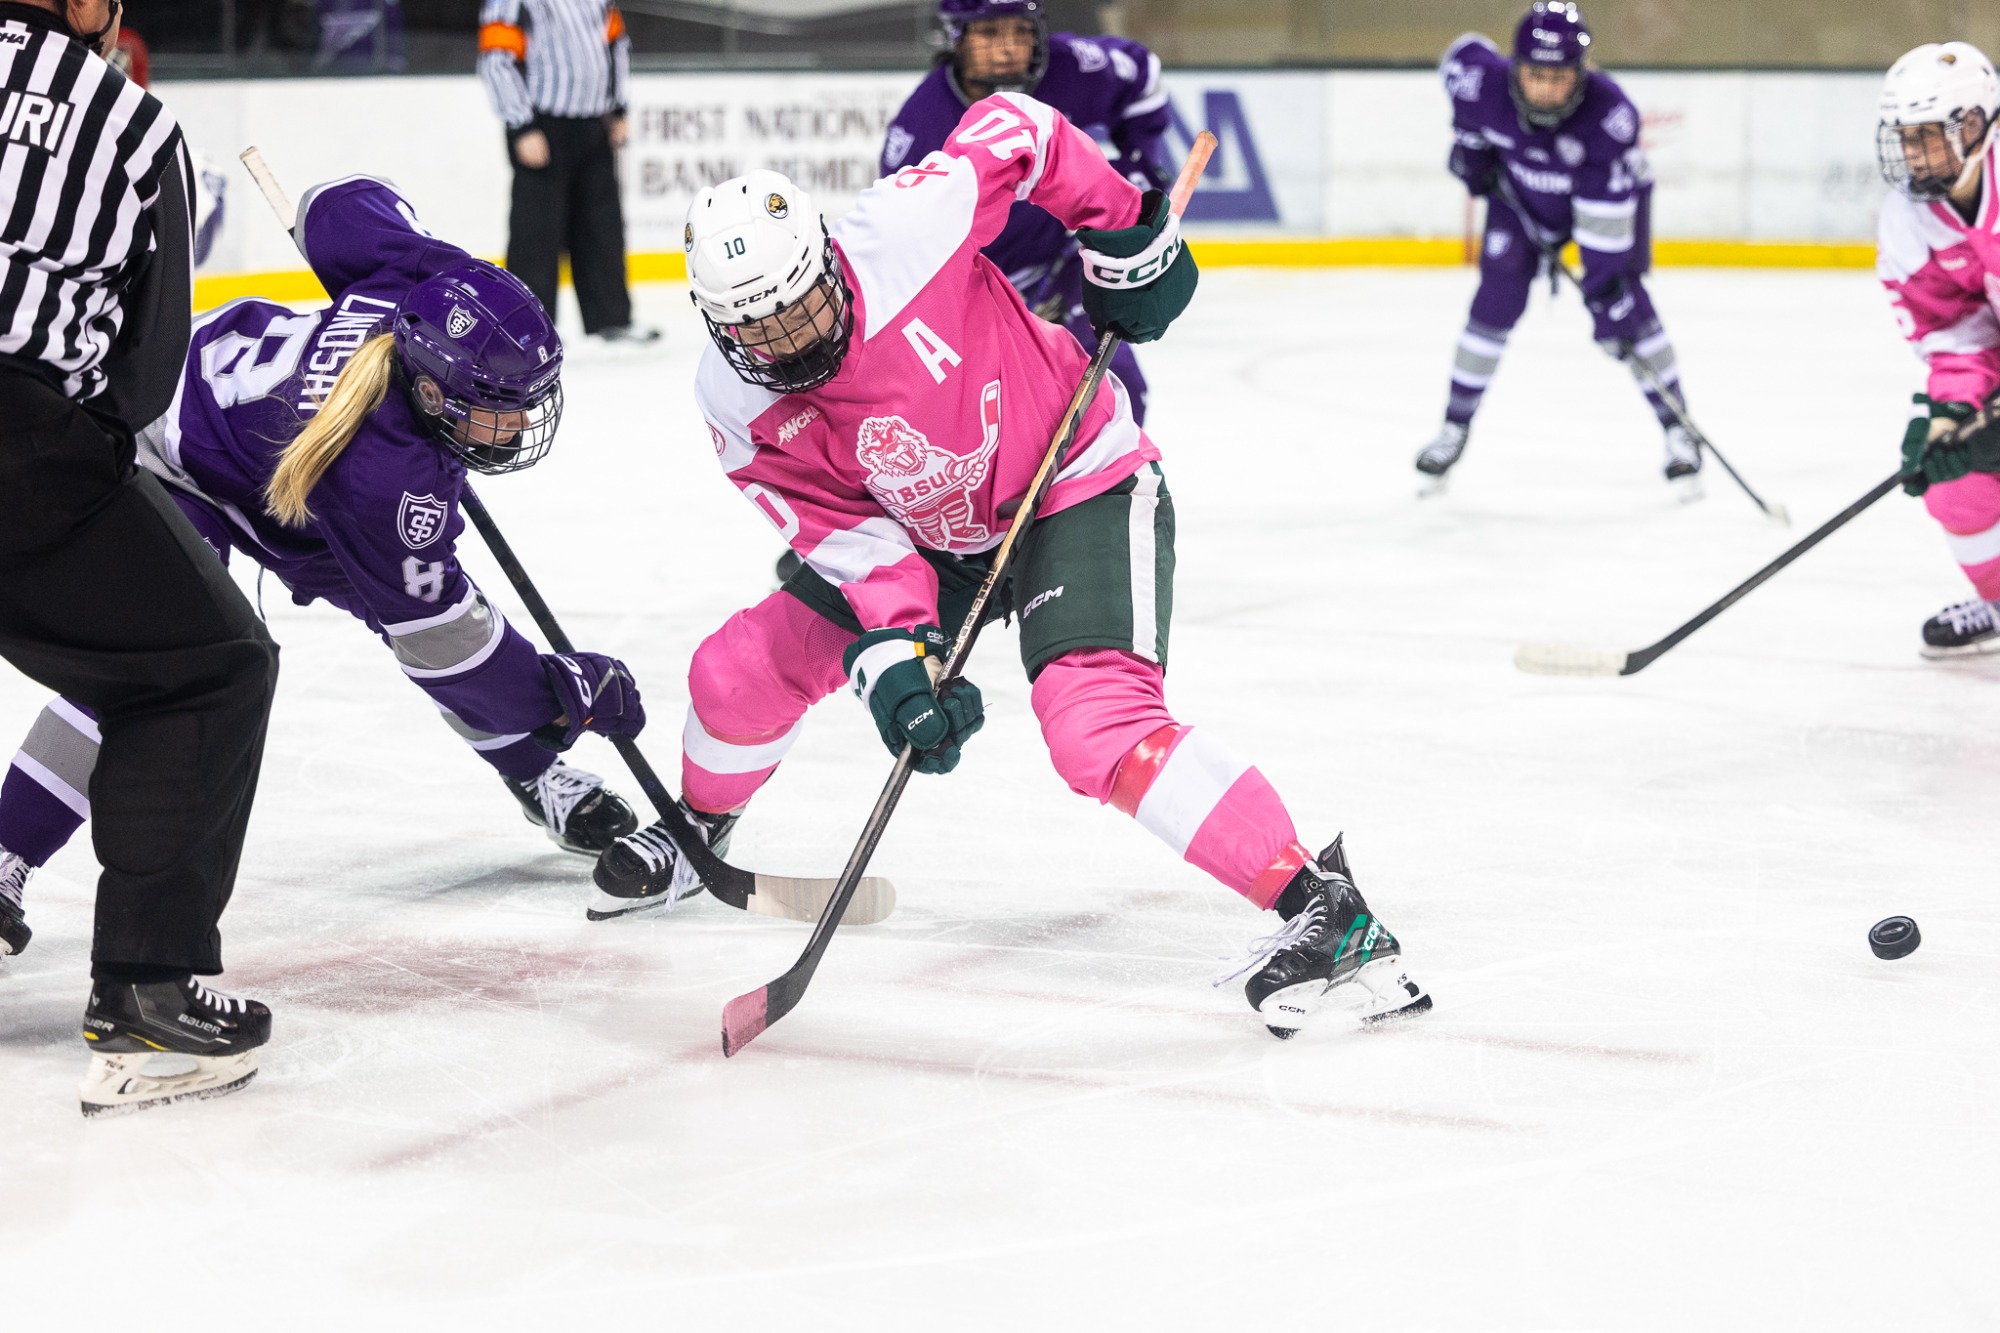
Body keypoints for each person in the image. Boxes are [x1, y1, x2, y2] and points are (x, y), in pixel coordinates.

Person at [593, 92, 1431, 1037]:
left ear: (829, 256)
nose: (792, 340)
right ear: (717, 324)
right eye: (761, 330)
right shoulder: (734, 405)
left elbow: (1020, 129)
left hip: (1074, 474)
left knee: (1095, 728)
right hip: (924, 534)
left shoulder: (907, 227)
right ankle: (700, 827)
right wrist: (898, 662)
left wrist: (1120, 234)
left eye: (804, 306)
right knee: (734, 673)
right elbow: (845, 533)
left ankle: (1323, 910)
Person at [0, 176, 649, 989]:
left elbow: (331, 206)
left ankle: (532, 772)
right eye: (496, 409)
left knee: (426, 614)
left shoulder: (421, 288)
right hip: (175, 456)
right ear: (434, 389)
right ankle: (3, 852)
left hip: (291, 491)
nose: (517, 425)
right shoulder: (389, 485)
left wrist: (416, 255)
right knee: (140, 664)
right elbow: (451, 650)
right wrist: (561, 697)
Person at [0, 0, 281, 1115]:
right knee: (207, 665)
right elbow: (146, 359)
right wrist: (80, 469)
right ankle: (145, 991)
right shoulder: (132, 121)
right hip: (21, 448)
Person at [1417, 2, 1699, 495]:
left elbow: (1603, 234)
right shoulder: (1480, 86)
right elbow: (1461, 53)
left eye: (1559, 77)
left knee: (1625, 308)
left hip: (1601, 207)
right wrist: (1472, 154)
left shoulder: (1609, 117)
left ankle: (1679, 430)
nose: (1546, 89)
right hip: (1520, 200)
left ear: (1581, 73)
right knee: (1493, 305)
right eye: (1535, 75)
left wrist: (1604, 291)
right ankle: (1454, 424)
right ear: (1515, 68)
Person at [1873, 42, 2000, 657]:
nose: (1914, 155)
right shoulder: (1908, 223)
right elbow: (1955, 339)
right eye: (1905, 138)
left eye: (1928, 135)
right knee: (1954, 474)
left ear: (1974, 125)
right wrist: (1951, 414)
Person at [477, 0, 657, 344]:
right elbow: (496, 59)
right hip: (543, 125)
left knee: (602, 226)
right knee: (536, 233)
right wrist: (521, 125)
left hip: (595, 122)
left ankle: (613, 318)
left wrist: (619, 106)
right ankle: (527, 328)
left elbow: (615, 44)